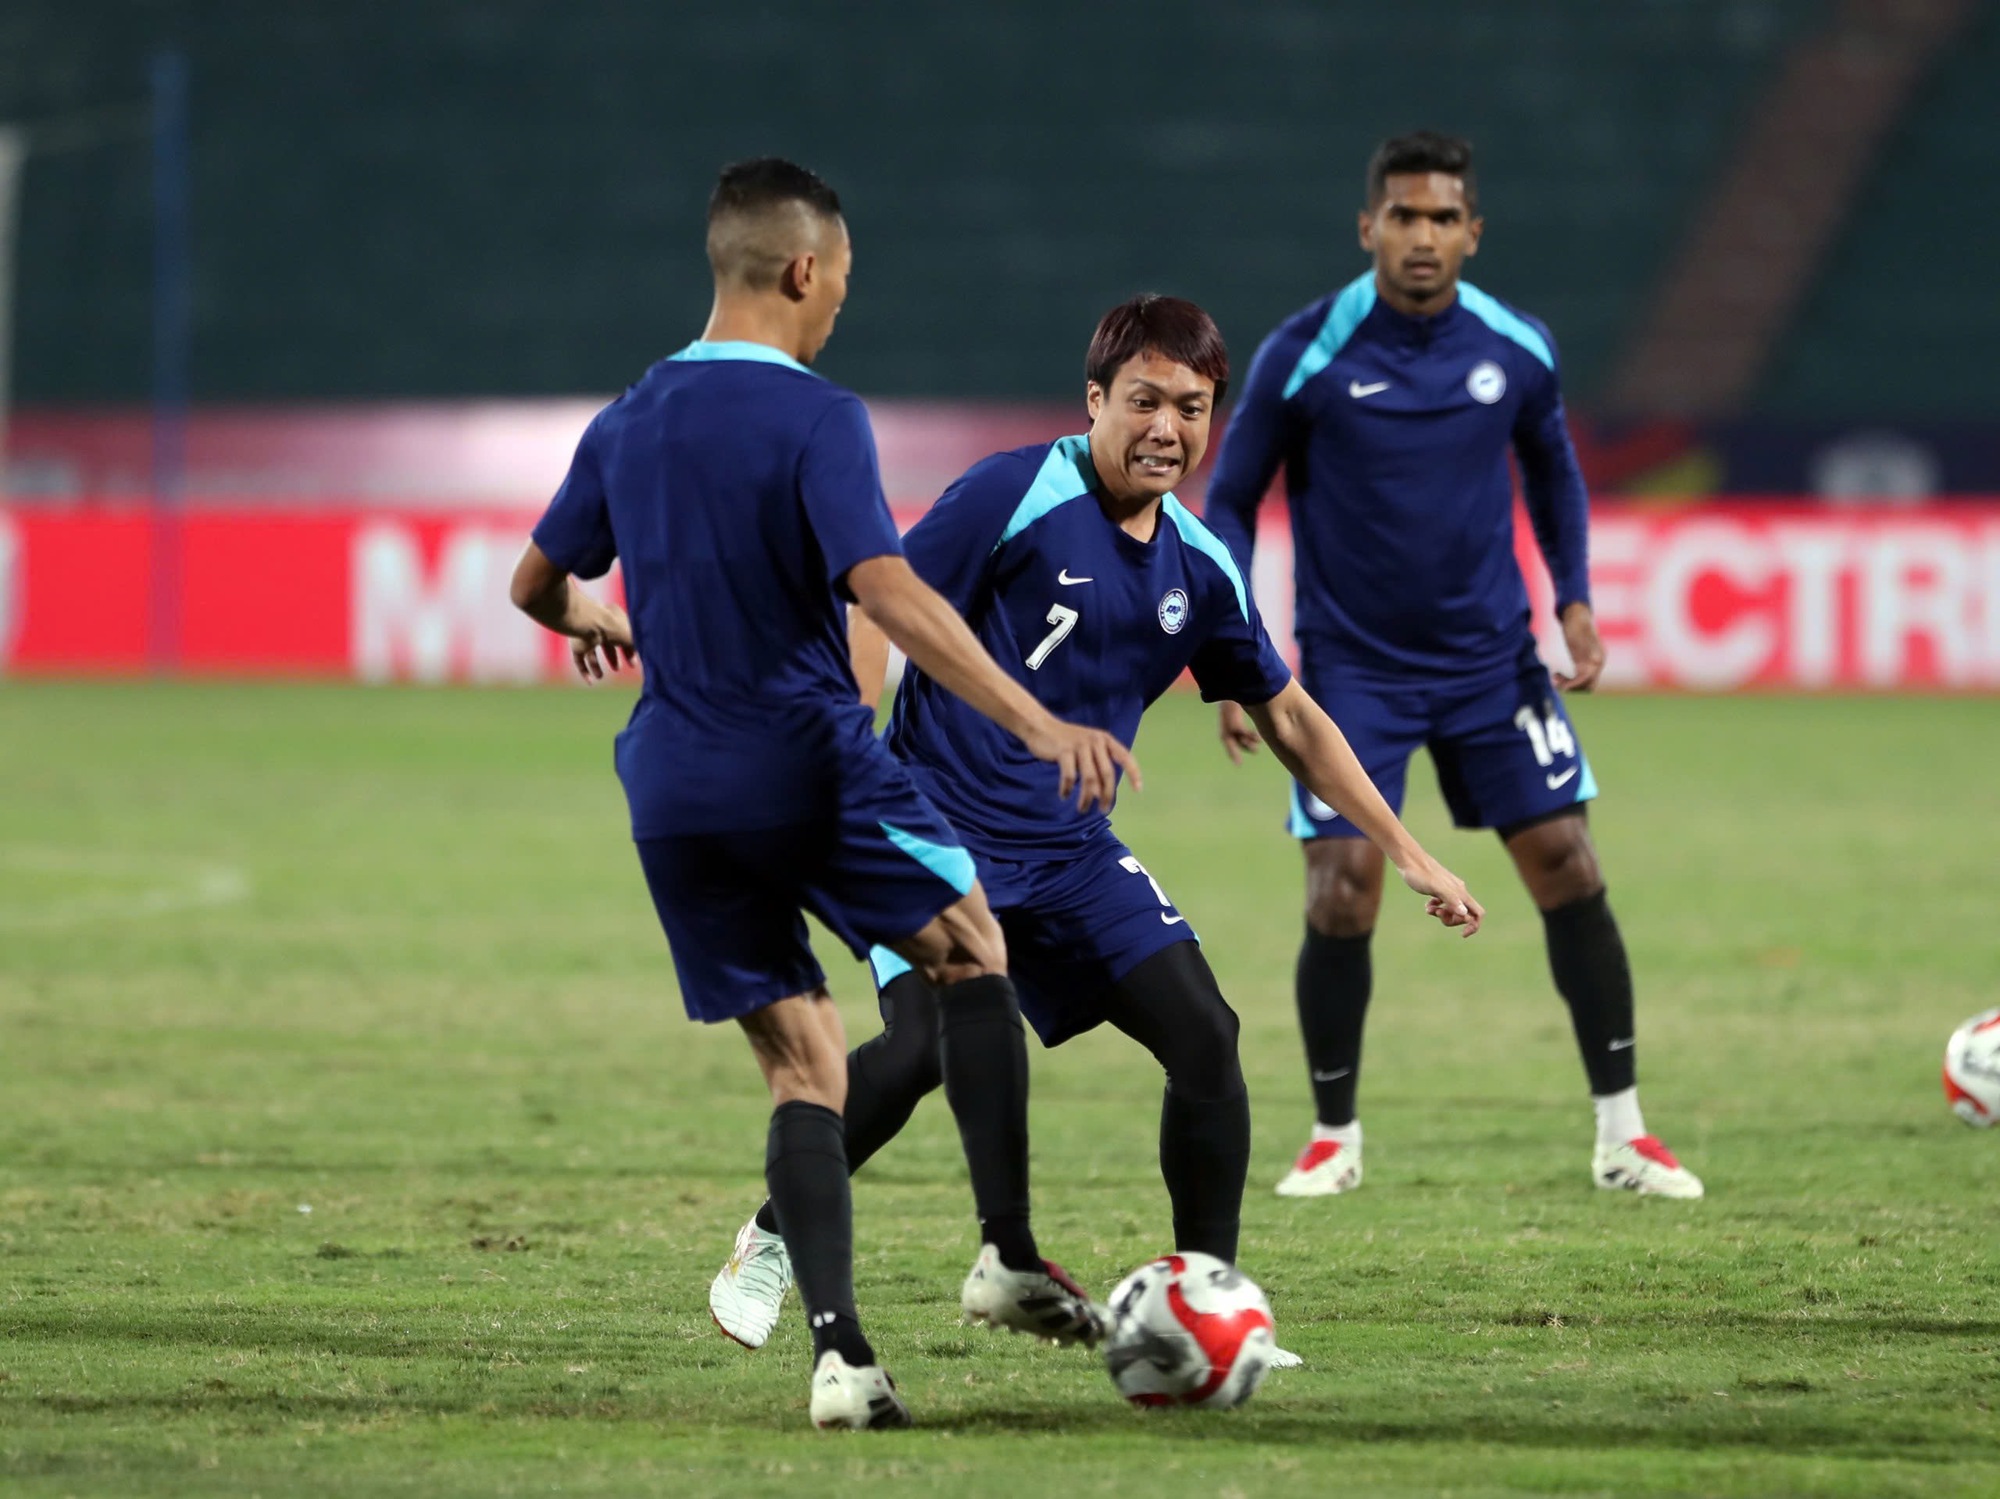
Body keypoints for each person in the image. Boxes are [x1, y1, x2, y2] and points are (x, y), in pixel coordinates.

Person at [706, 294, 1483, 1356]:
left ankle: (1213, 1302)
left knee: (1206, 1036)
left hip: (1069, 852)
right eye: (1144, 401)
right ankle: (769, 1237)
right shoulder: (1011, 491)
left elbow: (1289, 712)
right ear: (1094, 401)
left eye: (1192, 407)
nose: (1167, 428)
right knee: (924, 1048)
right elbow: (882, 599)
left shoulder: (1201, 565)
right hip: (929, 831)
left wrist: (1408, 850)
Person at [508, 158, 1140, 1430]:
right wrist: (1032, 716)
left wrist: (597, 616)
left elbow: (534, 582)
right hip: (802, 756)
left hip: (673, 789)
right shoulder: (814, 417)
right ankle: (1006, 1248)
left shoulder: (625, 418)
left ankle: (841, 1355)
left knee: (805, 1066)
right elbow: (888, 590)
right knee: (973, 941)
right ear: (803, 270)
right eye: (841, 280)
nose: (842, 302)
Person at [1201, 131, 1703, 1202]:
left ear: (1471, 231)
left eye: (1440, 217)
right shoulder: (1304, 350)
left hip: (1488, 661)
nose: (1420, 235)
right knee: (1342, 887)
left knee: (1566, 861)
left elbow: (1552, 466)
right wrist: (1232, 656)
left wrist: (1570, 596)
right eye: (1401, 215)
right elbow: (1230, 500)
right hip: (1350, 671)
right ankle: (1333, 1135)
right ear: (1367, 226)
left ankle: (1622, 1132)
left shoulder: (1515, 345)